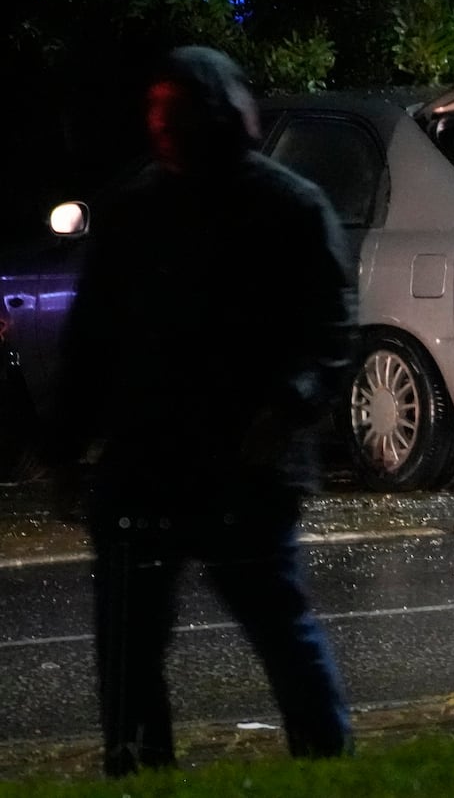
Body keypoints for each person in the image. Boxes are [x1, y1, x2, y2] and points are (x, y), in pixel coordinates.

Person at [48, 46, 356, 776]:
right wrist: (66, 447)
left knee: (274, 622)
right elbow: (93, 338)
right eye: (159, 114)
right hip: (153, 460)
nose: (165, 128)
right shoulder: (138, 210)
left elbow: (330, 335)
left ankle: (328, 762)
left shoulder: (285, 207)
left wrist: (284, 409)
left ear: (216, 117)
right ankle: (140, 766)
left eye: (177, 113)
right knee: (131, 642)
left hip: (240, 465)